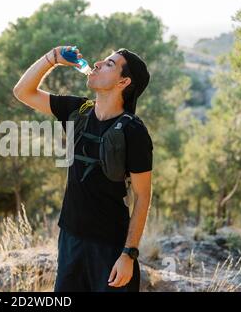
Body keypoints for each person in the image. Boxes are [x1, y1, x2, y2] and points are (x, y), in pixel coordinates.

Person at [13, 46, 153, 292]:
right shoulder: (78, 111)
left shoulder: (133, 131)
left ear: (124, 81)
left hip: (110, 249)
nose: (97, 64)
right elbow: (22, 91)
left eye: (109, 64)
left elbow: (143, 196)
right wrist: (52, 58)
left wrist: (128, 254)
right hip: (70, 240)